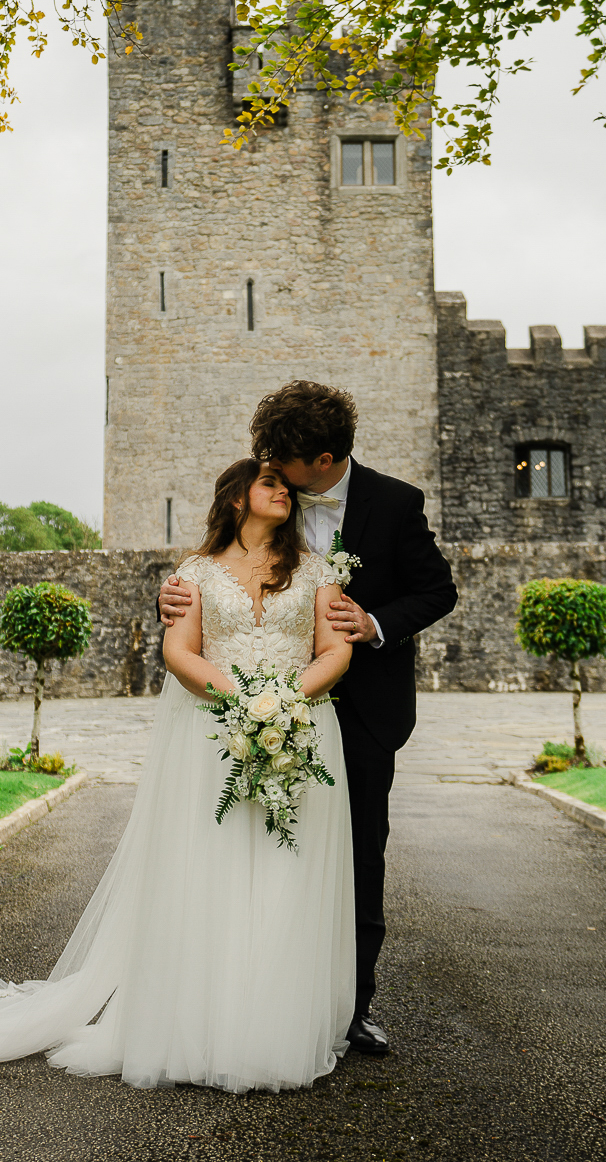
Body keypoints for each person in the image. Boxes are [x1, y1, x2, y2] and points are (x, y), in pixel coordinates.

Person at [0, 459, 358, 1092]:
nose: (283, 493)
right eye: (269, 484)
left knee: (286, 873)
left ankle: (271, 1025)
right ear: (236, 500)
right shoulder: (194, 575)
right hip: (213, 736)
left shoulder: (315, 569)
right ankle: (203, 1024)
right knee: (211, 873)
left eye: (287, 488)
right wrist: (244, 699)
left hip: (299, 732)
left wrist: (283, 701)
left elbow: (335, 648)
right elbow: (179, 654)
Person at [158, 381, 458, 1057]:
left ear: (322, 460)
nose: (274, 476)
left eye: (283, 467)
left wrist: (376, 623)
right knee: (253, 854)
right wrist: (181, 593)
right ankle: (241, 996)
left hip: (364, 712)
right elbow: (225, 575)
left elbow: (438, 589)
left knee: (355, 863)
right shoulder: (267, 502)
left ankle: (348, 1009)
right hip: (255, 710)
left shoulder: (396, 503)